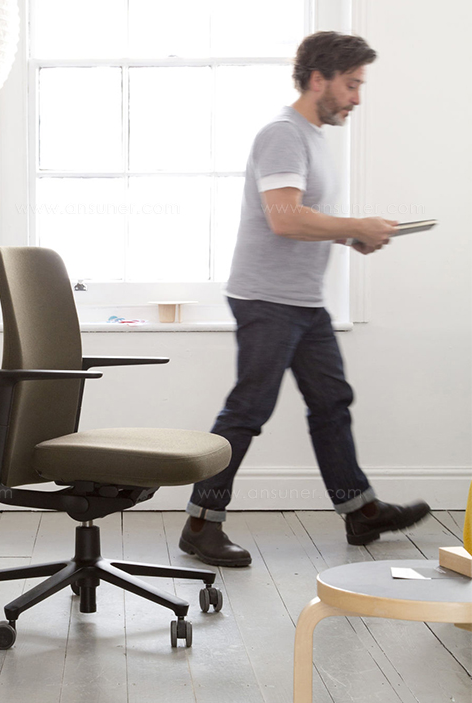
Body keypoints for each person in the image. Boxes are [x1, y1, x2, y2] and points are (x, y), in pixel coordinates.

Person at [179, 31, 430, 567]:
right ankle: (201, 523)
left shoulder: (313, 137)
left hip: (302, 301)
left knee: (331, 401)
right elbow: (284, 218)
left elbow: (304, 219)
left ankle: (360, 511)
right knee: (249, 409)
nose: (357, 97)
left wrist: (350, 236)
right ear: (319, 79)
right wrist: (355, 224)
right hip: (266, 298)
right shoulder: (283, 134)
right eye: (352, 84)